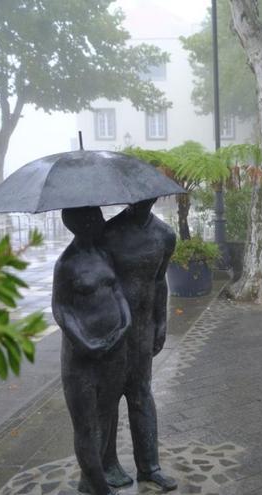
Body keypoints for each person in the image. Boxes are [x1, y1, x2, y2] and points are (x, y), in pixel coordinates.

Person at [100, 198, 178, 491]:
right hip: (112, 328)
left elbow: (160, 281)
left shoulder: (165, 235)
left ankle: (150, 467)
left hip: (143, 329)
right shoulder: (108, 232)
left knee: (141, 395)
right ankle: (106, 465)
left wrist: (162, 323)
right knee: (107, 400)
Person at [52, 207, 131, 495]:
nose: (101, 221)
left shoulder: (104, 255)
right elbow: (61, 310)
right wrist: (84, 342)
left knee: (107, 413)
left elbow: (118, 293)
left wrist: (125, 324)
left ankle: (94, 477)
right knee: (86, 423)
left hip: (113, 350)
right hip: (82, 358)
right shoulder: (66, 264)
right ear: (80, 224)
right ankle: (99, 487)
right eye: (95, 218)